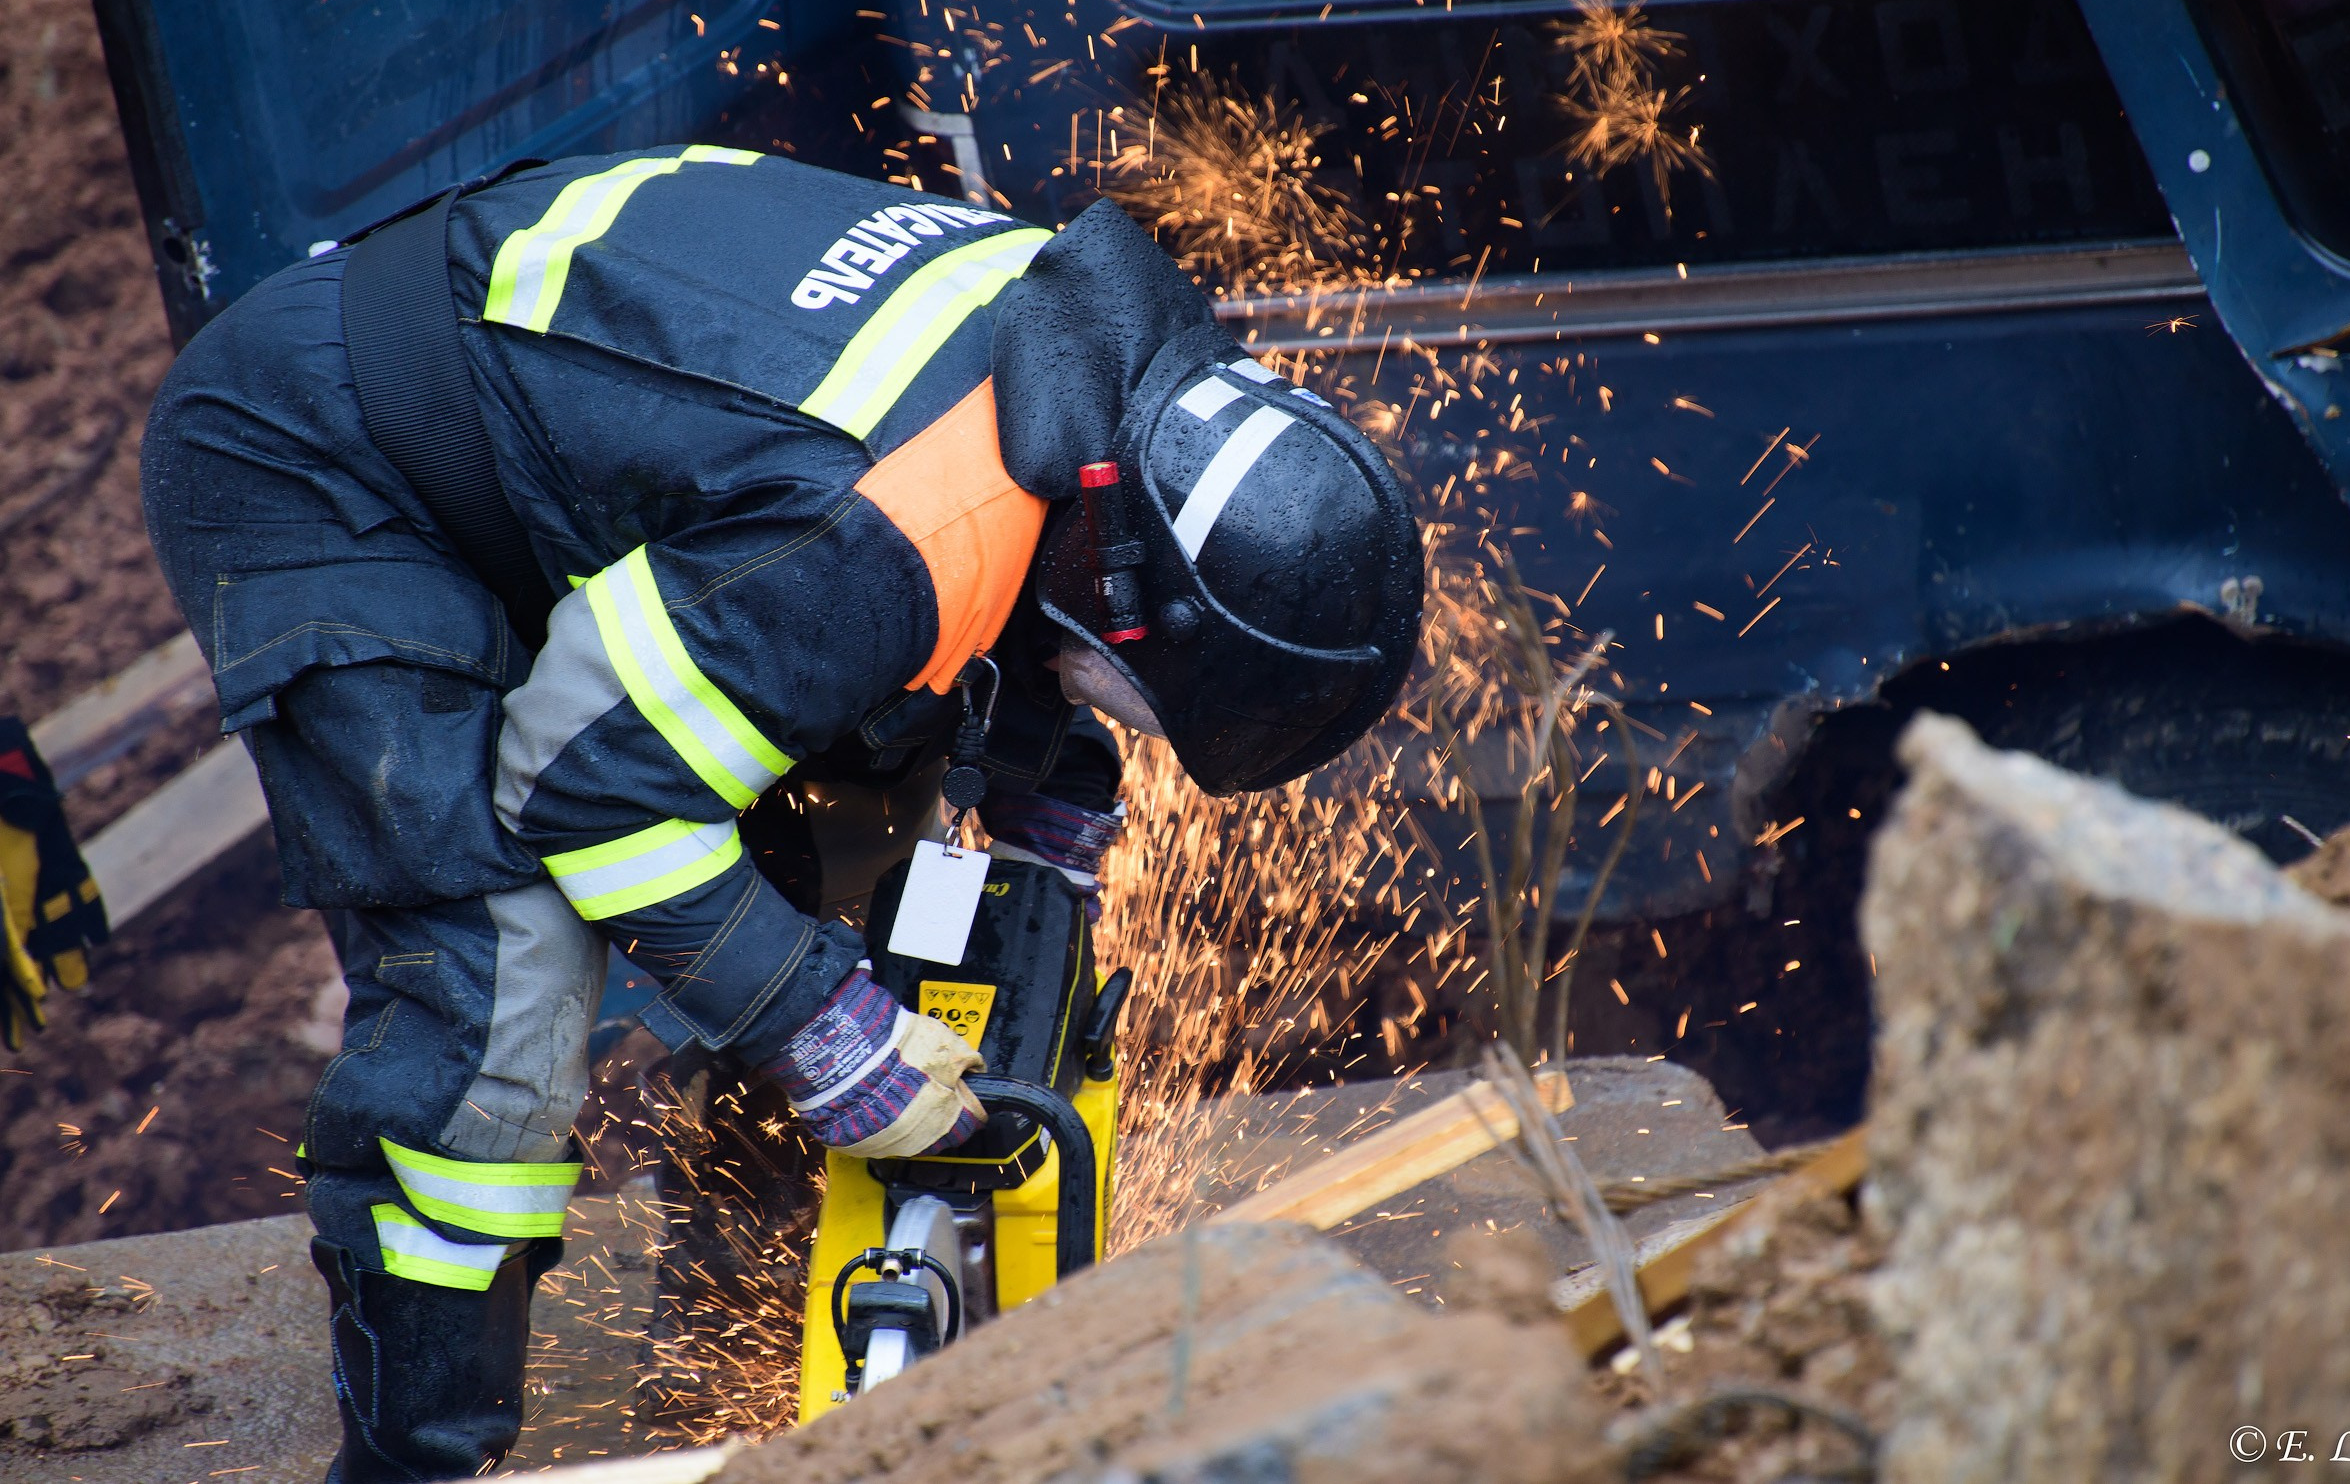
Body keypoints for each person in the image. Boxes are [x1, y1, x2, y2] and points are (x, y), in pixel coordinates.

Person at [139, 146, 1423, 1482]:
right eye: (1146, 705)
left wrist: (1052, 803)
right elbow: (583, 790)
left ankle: (734, 1337)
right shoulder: (887, 526)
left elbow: (999, 621)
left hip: (556, 421)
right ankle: (419, 1456)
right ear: (1133, 590)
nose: (1134, 723)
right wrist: (826, 1031)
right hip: (320, 450)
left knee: (836, 854)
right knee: (500, 991)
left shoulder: (1096, 367)